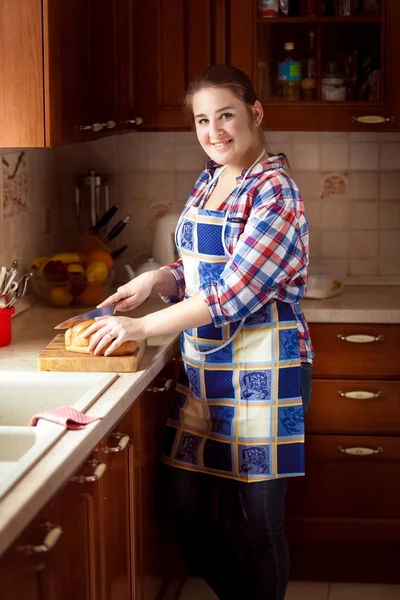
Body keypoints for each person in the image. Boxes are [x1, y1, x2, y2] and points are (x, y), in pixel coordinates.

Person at [83, 64, 313, 600]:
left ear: (255, 113)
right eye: (203, 120)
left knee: (258, 524)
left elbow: (231, 292)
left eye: (226, 115)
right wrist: (155, 278)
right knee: (179, 507)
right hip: (207, 367)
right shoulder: (212, 179)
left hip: (267, 368)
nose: (215, 131)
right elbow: (198, 267)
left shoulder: (275, 192)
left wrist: (139, 327)